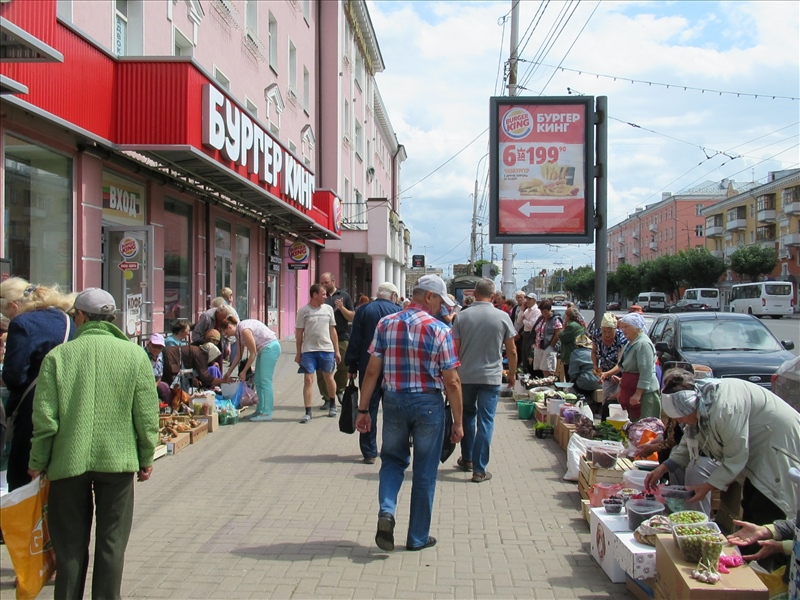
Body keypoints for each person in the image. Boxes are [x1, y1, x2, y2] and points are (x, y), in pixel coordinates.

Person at [27, 288, 159, 600]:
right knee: (112, 542)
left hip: (67, 462)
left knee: (69, 545)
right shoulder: (135, 356)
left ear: (82, 317)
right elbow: (146, 415)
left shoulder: (58, 357)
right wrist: (146, 456)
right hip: (118, 461)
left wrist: (37, 461)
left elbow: (45, 420)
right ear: (110, 319)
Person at [355, 274, 463, 552]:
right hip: (429, 404)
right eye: (439, 301)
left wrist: (363, 409)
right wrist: (458, 422)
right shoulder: (440, 330)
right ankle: (417, 537)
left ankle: (387, 510)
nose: (441, 307)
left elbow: (371, 371)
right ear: (428, 296)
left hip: (393, 402)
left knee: (391, 461)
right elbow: (452, 381)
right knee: (425, 470)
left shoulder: (386, 324)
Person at [644, 371, 800, 528]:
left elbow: (735, 457)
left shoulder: (724, 410)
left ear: (692, 407)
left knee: (766, 507)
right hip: (758, 450)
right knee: (750, 504)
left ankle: (766, 542)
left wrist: (707, 486)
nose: (679, 421)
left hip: (778, 446)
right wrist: (665, 467)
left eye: (681, 417)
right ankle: (753, 541)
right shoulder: (702, 403)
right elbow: (691, 437)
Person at [0, 277, 75, 492]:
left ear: (14, 306)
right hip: (67, 402)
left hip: (31, 408)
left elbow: (14, 376)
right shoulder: (66, 319)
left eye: (6, 315)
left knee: (22, 477)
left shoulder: (22, 323)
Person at [452, 278, 516, 483]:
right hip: (491, 377)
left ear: (474, 293)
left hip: (465, 376)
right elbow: (512, 350)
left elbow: (454, 349)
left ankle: (467, 458)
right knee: (486, 420)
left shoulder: (462, 317)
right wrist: (512, 374)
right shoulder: (503, 317)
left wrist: (451, 376)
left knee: (467, 416)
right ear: (494, 295)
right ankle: (480, 469)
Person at [344, 282, 401, 463]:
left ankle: (369, 451)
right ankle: (391, 448)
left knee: (367, 407)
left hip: (367, 367)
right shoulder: (399, 311)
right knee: (392, 411)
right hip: (393, 368)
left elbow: (355, 339)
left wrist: (351, 366)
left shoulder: (363, 310)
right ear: (393, 295)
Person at [598, 312, 661, 421]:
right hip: (632, 392)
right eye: (622, 327)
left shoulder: (643, 344)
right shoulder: (631, 343)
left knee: (645, 425)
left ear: (636, 327)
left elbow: (645, 372)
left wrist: (638, 394)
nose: (623, 330)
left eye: (626, 327)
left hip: (644, 395)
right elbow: (626, 366)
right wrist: (622, 383)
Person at [222, 315, 281, 421]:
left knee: (265, 381)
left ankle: (267, 413)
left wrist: (244, 371)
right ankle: (259, 410)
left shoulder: (244, 330)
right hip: (263, 349)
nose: (227, 336)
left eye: (226, 333)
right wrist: (229, 372)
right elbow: (238, 355)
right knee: (258, 381)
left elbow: (253, 353)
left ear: (230, 327)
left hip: (270, 348)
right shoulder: (238, 333)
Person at [295, 283, 340, 422]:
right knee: (308, 379)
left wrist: (337, 351)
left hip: (326, 349)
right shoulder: (303, 311)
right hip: (309, 351)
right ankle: (308, 412)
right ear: (314, 295)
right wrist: (298, 353)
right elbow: (299, 333)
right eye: (323, 294)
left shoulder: (328, 309)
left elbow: (333, 331)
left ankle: (332, 404)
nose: (326, 297)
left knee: (328, 378)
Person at [317, 272, 354, 412]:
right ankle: (327, 397)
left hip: (341, 335)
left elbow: (352, 317)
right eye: (322, 283)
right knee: (321, 369)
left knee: (344, 364)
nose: (324, 285)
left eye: (326, 282)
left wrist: (342, 308)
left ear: (333, 281)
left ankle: (339, 389)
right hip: (322, 337)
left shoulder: (344, 295)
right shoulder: (320, 295)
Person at [590, 312, 628, 416]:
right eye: (604, 331)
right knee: (606, 400)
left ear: (615, 329)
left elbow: (620, 364)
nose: (607, 334)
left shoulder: (621, 339)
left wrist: (607, 374)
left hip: (621, 373)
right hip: (605, 372)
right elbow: (594, 352)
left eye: (610, 332)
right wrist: (595, 366)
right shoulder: (597, 335)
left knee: (620, 401)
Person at [532, 300, 562, 377]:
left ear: (549, 309)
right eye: (542, 311)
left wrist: (551, 345)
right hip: (539, 346)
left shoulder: (555, 319)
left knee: (547, 368)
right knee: (541, 368)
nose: (543, 313)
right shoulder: (541, 319)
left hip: (548, 347)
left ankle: (549, 382)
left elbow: (558, 333)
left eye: (545, 311)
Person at [567, 334, 601, 402]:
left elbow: (572, 373)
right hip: (599, 382)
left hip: (584, 384)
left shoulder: (576, 353)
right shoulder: (595, 352)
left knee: (570, 388)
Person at [559, 306, 585, 381]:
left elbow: (562, 337)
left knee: (569, 378)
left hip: (570, 355)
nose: (565, 317)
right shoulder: (578, 324)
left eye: (566, 315)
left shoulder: (571, 326)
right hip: (578, 354)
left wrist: (562, 330)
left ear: (569, 316)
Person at [145, 333, 169, 404]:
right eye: (154, 346)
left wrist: (156, 384)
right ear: (149, 343)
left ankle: (166, 407)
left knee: (165, 388)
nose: (156, 349)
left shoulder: (160, 354)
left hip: (155, 382)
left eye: (160, 347)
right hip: (144, 382)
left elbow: (159, 374)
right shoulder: (143, 353)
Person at [520, 293, 540, 375]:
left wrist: (524, 320)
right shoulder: (526, 310)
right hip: (525, 333)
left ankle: (531, 373)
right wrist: (522, 309)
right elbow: (518, 320)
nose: (527, 301)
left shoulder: (536, 311)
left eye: (529, 299)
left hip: (531, 334)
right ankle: (525, 371)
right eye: (527, 299)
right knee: (524, 353)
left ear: (534, 300)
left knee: (530, 354)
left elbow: (531, 324)